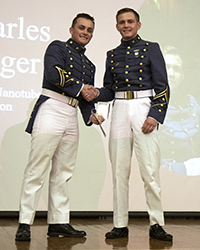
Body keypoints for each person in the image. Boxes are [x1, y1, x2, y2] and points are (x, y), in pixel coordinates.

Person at [15, 13, 104, 241]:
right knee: (37, 168)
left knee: (64, 172)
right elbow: (53, 74)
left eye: (89, 30)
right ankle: (25, 222)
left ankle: (58, 222)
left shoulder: (89, 64)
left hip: (71, 113)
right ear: (71, 29)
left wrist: (92, 115)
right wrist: (82, 88)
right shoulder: (57, 47)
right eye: (81, 28)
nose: (85, 32)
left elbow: (84, 99)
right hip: (51, 107)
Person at [91, 8, 173, 241]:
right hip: (119, 111)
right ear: (117, 26)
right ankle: (120, 224)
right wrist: (95, 94)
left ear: (138, 24)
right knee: (119, 171)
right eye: (121, 22)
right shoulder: (112, 54)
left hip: (143, 109)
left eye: (130, 21)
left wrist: (155, 115)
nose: (126, 25)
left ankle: (157, 223)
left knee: (150, 171)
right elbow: (109, 88)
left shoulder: (151, 48)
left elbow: (162, 86)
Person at [160, 45, 200, 176]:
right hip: (166, 176)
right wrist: (182, 169)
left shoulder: (191, 102)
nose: (171, 73)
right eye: (167, 67)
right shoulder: (145, 103)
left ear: (182, 76)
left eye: (176, 69)